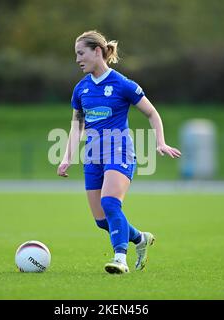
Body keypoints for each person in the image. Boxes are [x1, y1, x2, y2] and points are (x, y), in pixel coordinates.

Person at [57, 30, 181, 274]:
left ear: (97, 51)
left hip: (120, 152)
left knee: (110, 203)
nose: (77, 59)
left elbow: (152, 112)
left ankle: (120, 259)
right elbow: (76, 126)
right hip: (93, 158)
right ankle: (140, 239)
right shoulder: (80, 90)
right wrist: (66, 158)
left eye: (81, 53)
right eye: (75, 54)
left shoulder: (122, 84)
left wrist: (160, 142)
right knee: (102, 221)